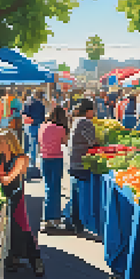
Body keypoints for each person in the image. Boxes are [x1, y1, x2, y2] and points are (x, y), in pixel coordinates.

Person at [0, 128, 44, 276]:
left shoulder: (22, 158)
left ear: (8, 142)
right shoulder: (0, 157)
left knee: (22, 228)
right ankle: (13, 258)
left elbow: (7, 180)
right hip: (2, 196)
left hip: (16, 196)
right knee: (8, 229)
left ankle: (36, 261)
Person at [66, 99, 96, 233]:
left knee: (75, 194)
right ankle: (79, 223)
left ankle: (72, 220)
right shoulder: (86, 123)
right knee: (82, 195)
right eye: (93, 110)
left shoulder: (76, 121)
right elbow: (92, 142)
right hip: (81, 162)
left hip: (73, 162)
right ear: (88, 111)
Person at [38, 106, 68, 232]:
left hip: (44, 158)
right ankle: (52, 218)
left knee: (48, 187)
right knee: (55, 189)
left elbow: (39, 142)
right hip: (56, 159)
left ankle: (49, 218)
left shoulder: (42, 127)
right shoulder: (61, 129)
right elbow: (65, 142)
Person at [23, 91, 46, 168]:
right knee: (37, 144)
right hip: (39, 125)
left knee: (30, 144)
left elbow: (24, 113)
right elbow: (43, 117)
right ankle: (34, 162)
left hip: (30, 125)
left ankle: (31, 162)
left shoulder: (28, 102)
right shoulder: (41, 104)